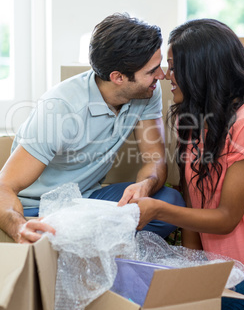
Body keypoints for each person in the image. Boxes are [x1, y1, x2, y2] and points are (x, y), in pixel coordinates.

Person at [119, 19, 244, 310]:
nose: (165, 76)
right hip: (217, 272)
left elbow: (226, 217)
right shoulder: (189, 119)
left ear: (201, 70)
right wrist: (188, 267)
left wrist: (157, 209)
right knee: (134, 308)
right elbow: (191, 200)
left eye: (173, 67)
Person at [0, 13, 185, 244]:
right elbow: (4, 186)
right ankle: (76, 241)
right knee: (52, 234)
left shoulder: (147, 92)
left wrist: (144, 186)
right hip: (38, 207)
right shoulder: (60, 109)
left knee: (169, 203)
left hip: (86, 198)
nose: (163, 76)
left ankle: (80, 243)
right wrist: (19, 228)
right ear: (117, 77)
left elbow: (154, 160)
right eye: (152, 71)